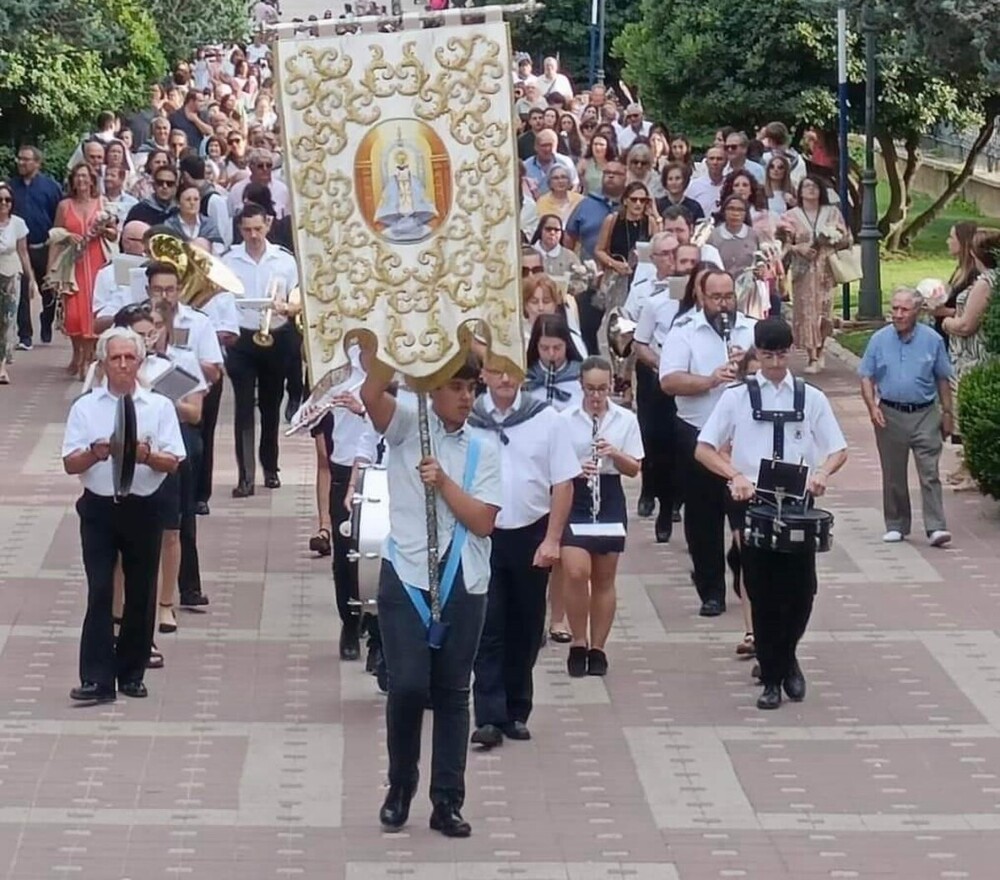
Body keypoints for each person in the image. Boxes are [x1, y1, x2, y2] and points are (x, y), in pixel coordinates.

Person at [360, 349, 502, 838]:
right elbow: (370, 394)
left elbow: (484, 520)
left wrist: (442, 481)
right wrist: (391, 347)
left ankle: (447, 800)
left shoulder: (484, 448)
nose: (466, 397)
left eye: (472, 389)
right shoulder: (406, 425)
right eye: (456, 387)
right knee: (407, 686)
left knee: (452, 691)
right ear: (433, 390)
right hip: (407, 576)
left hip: (462, 578)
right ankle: (400, 785)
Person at [695, 317, 847, 709]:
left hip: (797, 505)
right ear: (756, 354)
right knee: (761, 591)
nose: (776, 364)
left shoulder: (809, 397)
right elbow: (705, 447)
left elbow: (837, 448)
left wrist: (823, 473)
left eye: (782, 355)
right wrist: (735, 475)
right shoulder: (737, 397)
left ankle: (788, 655)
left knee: (802, 591)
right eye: (768, 356)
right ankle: (772, 675)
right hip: (755, 503)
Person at [62, 326, 185, 703]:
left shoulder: (159, 407)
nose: (122, 364)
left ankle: (132, 672)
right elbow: (70, 462)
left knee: (141, 589)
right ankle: (97, 678)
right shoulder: (85, 407)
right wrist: (97, 452)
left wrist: (145, 454)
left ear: (140, 362)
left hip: (143, 506)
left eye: (129, 357)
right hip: (99, 507)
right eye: (114, 358)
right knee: (100, 589)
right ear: (102, 363)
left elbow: (174, 461)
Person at [467, 360, 578, 747]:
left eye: (511, 370)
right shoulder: (469, 418)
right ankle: (489, 716)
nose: (505, 379)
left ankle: (517, 709)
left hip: (530, 532)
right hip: (483, 533)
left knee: (527, 627)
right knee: (489, 625)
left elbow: (563, 482)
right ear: (484, 374)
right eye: (496, 370)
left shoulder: (546, 419)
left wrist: (552, 539)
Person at [660, 269, 756, 616]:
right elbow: (669, 381)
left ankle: (744, 575)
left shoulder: (750, 328)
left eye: (728, 296)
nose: (723, 304)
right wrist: (710, 380)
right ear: (701, 297)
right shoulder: (684, 330)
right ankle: (711, 589)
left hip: (742, 438)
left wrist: (745, 372)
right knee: (702, 517)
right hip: (697, 432)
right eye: (716, 297)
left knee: (745, 515)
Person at [560, 356, 643, 677]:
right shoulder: (565, 419)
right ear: (581, 386)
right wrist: (575, 468)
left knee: (604, 578)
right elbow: (552, 465)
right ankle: (577, 641)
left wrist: (614, 453)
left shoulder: (624, 420)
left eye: (602, 389)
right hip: (576, 495)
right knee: (577, 571)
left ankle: (598, 648)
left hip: (608, 494)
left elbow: (635, 468)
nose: (596, 396)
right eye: (590, 389)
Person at [859, 287, 954, 547]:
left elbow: (942, 378)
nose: (898, 315)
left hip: (924, 412)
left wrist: (948, 412)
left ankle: (936, 526)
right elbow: (866, 376)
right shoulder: (879, 339)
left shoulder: (932, 340)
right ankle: (896, 524)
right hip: (890, 412)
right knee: (893, 473)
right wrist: (872, 406)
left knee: (929, 472)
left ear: (917, 311)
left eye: (904, 310)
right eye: (895, 309)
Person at [223, 204, 300, 496]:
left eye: (258, 229)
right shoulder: (229, 260)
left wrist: (287, 306)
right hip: (242, 338)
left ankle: (270, 466)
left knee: (270, 406)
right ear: (240, 230)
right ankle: (245, 475)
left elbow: (296, 295)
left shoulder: (284, 260)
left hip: (276, 335)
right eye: (247, 230)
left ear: (267, 225)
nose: (253, 235)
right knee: (243, 407)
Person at [631, 241, 700, 538]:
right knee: (656, 442)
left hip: (693, 385)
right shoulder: (656, 302)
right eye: (682, 262)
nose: (686, 268)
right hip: (658, 381)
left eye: (692, 263)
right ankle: (657, 496)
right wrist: (661, 364)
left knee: (684, 446)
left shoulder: (703, 309)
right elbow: (639, 343)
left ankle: (677, 502)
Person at [940, 228, 998, 491]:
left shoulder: (987, 282)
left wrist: (946, 322)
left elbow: (966, 325)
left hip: (974, 355)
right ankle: (968, 466)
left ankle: (972, 470)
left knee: (967, 412)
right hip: (972, 354)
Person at [48, 163, 118, 379]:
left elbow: (115, 235)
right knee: (74, 313)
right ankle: (77, 351)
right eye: (77, 177)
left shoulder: (101, 203)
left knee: (93, 309)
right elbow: (55, 236)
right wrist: (51, 268)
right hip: (73, 263)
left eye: (85, 176)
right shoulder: (64, 205)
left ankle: (88, 358)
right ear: (72, 181)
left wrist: (105, 230)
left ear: (91, 180)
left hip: (96, 261)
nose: (81, 181)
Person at [781, 174, 853, 373]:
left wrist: (831, 239)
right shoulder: (791, 216)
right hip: (802, 271)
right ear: (800, 191)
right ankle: (812, 356)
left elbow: (846, 238)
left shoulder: (832, 213)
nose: (811, 190)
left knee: (824, 313)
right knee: (806, 313)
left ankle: (820, 351)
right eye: (806, 186)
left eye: (814, 186)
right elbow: (784, 243)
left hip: (825, 269)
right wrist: (798, 249)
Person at [0, 183, 38, 385]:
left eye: (7, 200)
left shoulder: (18, 223)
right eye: (0, 200)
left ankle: (2, 365)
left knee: (7, 320)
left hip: (11, 273)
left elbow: (23, 252)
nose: (4, 203)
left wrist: (31, 279)